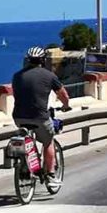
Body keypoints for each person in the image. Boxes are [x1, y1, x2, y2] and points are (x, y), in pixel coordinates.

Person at [11, 46, 72, 180]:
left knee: (27, 136)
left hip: (18, 117)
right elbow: (63, 94)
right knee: (48, 142)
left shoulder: (16, 76)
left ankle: (26, 164)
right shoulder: (49, 76)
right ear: (43, 60)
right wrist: (66, 106)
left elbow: (17, 95)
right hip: (40, 117)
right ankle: (50, 175)